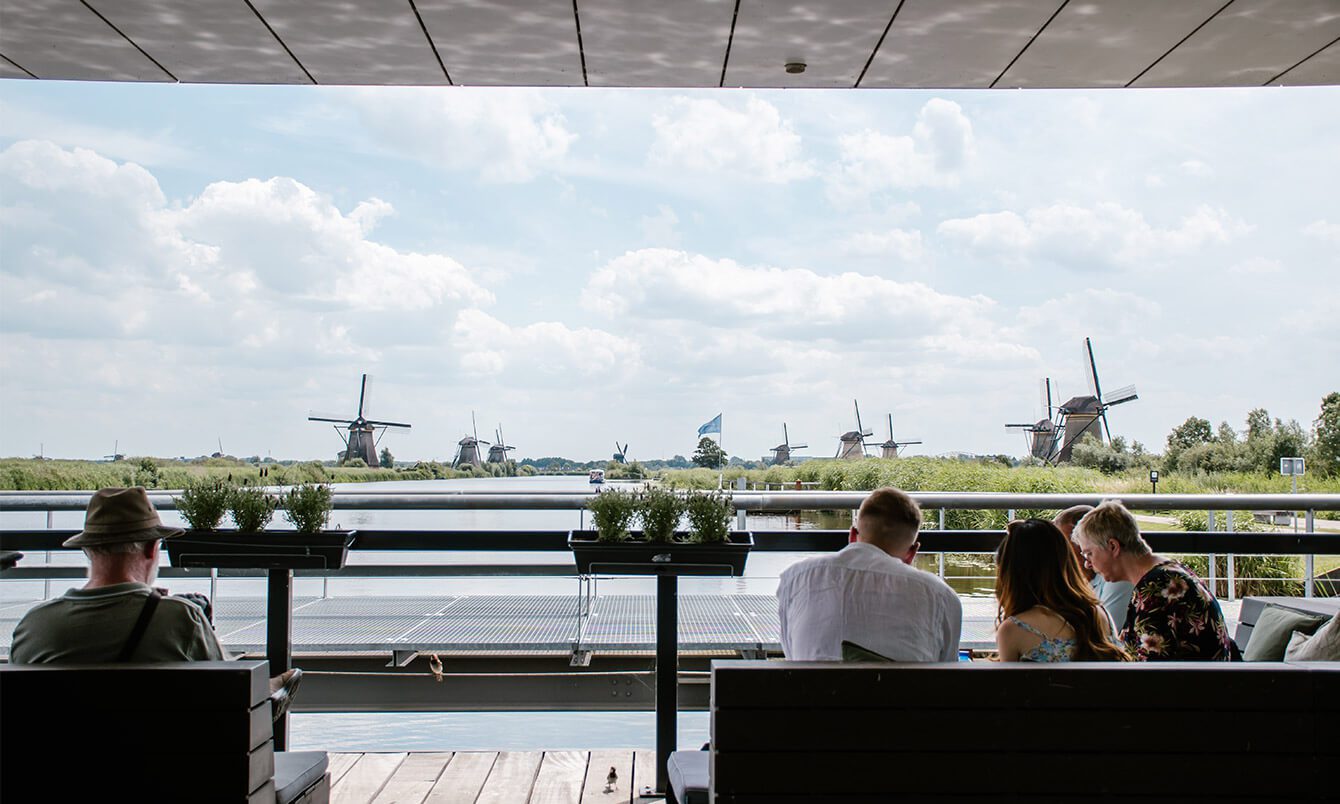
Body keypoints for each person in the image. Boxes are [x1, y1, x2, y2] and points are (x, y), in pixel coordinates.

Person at [10, 487, 301, 713]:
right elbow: (232, 697)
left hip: (52, 784)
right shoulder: (179, 619)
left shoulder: (34, 626)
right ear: (152, 549)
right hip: (164, 783)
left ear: (88, 550)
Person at [777, 487, 961, 661]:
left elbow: (791, 653)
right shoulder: (941, 596)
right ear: (911, 553)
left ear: (852, 536)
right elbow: (948, 670)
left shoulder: (795, 578)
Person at [1073, 500, 1234, 661]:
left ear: (1113, 546)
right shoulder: (1168, 571)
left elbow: (1147, 673)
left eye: (1089, 554)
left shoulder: (1156, 590)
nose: (1087, 563)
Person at [993, 519, 1128, 662]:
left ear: (1010, 574)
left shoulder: (1013, 629)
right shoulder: (1099, 614)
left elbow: (1006, 684)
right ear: (1066, 563)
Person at [1054, 504, 1134, 632]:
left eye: (1066, 543)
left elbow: (1106, 630)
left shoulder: (1117, 575)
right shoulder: (1070, 576)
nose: (1059, 551)